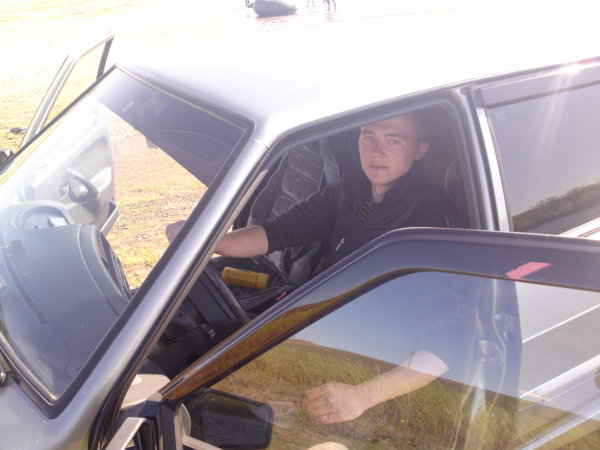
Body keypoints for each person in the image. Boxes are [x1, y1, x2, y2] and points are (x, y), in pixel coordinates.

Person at [167, 112, 454, 272]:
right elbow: (278, 232)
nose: (376, 151)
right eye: (369, 137)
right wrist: (208, 242)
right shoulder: (348, 191)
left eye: (393, 141)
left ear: (420, 150)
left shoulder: (429, 221)